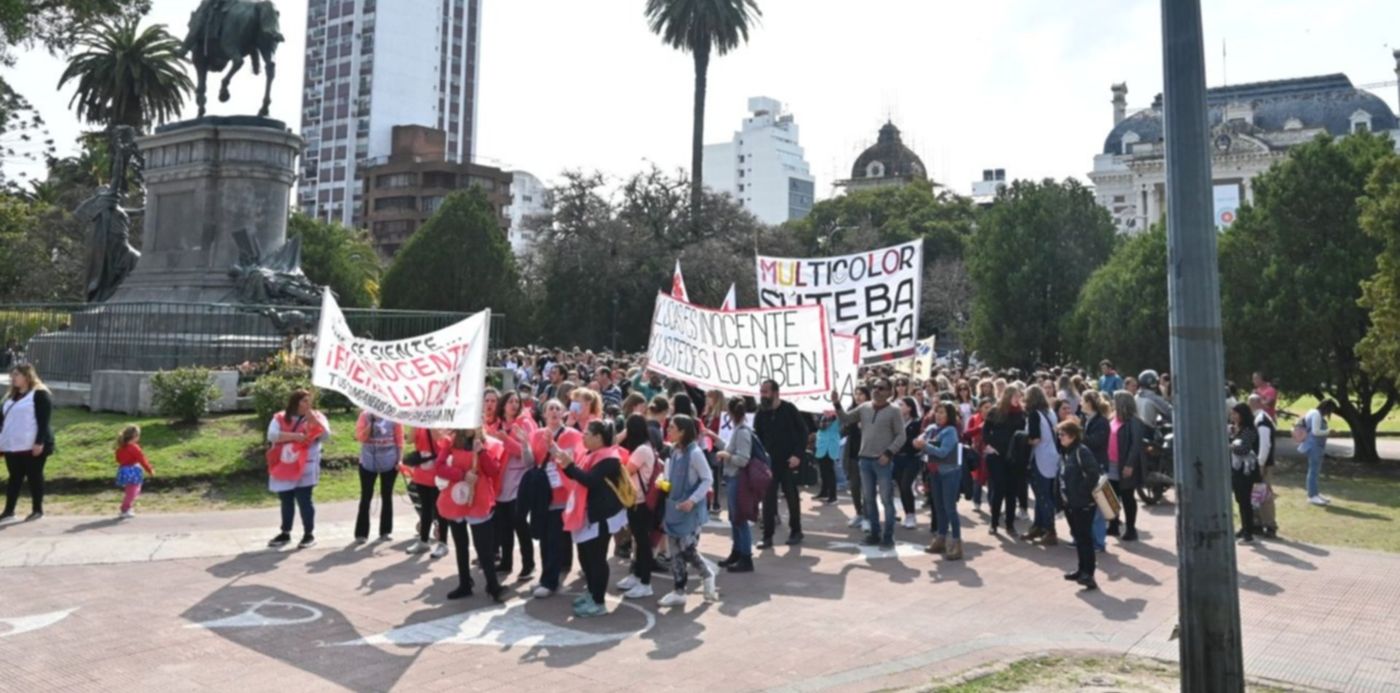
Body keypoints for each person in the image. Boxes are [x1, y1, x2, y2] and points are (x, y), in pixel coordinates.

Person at [557, 420, 630, 618]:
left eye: (588, 433)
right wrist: (566, 465)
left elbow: (590, 481)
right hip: (588, 514)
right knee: (585, 556)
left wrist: (569, 465)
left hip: (602, 515)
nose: (583, 436)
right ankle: (591, 592)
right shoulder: (592, 454)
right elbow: (578, 475)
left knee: (597, 559)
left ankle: (599, 602)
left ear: (599, 437)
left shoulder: (609, 458)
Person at [832, 378, 907, 549]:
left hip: (883, 461)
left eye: (881, 388)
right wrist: (836, 403)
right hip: (864, 459)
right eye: (874, 387)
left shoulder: (894, 411)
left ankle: (888, 535)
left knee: (887, 499)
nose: (876, 390)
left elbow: (901, 436)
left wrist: (889, 453)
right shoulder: (865, 408)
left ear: (889, 392)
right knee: (869, 499)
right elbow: (846, 418)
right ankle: (874, 533)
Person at [435, 429, 504, 602]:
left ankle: (493, 586)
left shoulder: (487, 443)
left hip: (479, 500)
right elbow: (439, 467)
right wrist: (461, 475)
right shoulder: (450, 442)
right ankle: (465, 583)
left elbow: (493, 471)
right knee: (461, 545)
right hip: (456, 499)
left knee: (484, 548)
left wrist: (481, 452)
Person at [658, 415, 719, 607]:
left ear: (683, 432)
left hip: (689, 511)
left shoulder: (695, 453)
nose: (668, 431)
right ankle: (679, 590)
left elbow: (707, 479)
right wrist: (663, 483)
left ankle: (707, 575)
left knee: (687, 549)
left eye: (672, 428)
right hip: (674, 507)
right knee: (675, 550)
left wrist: (692, 500)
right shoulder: (674, 451)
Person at [525, 399, 577, 599]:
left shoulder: (572, 435)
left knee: (555, 539)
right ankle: (545, 576)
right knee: (544, 539)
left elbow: (572, 461)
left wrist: (557, 451)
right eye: (550, 409)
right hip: (542, 495)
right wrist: (523, 446)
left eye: (557, 408)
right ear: (544, 414)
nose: (554, 412)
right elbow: (530, 463)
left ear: (563, 413)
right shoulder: (537, 434)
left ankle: (550, 581)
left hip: (562, 494)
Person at [266, 389, 330, 549]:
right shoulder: (280, 417)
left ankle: (308, 534)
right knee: (286, 500)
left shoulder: (317, 416)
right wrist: (294, 436)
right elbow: (272, 435)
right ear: (295, 402)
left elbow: (326, 436)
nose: (308, 404)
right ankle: (285, 533)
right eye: (304, 401)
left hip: (306, 465)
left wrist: (315, 422)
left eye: (310, 401)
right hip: (285, 464)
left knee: (304, 500)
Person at [756, 379, 810, 547]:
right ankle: (767, 536)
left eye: (766, 391)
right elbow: (757, 437)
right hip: (769, 464)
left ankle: (796, 531)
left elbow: (803, 432)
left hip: (789, 462)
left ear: (776, 393)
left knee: (791, 497)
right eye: (761, 391)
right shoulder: (761, 412)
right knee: (768, 499)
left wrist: (797, 455)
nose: (763, 395)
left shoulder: (789, 409)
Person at [0, 364, 55, 523]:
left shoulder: (40, 394)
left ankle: (37, 510)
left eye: (16, 374)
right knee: (14, 478)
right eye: (12, 375)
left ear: (27, 376)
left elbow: (43, 421)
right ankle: (9, 511)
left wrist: (39, 442)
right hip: (13, 445)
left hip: (33, 445)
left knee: (34, 477)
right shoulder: (11, 397)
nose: (13, 378)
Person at [491, 391, 537, 579]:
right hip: (500, 481)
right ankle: (506, 562)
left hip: (519, 481)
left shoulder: (524, 424)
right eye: (510, 401)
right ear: (503, 405)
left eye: (517, 401)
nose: (514, 405)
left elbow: (526, 453)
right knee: (503, 525)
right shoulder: (497, 425)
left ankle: (529, 564)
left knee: (519, 521)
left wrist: (506, 440)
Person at [617, 414, 659, 599]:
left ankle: (645, 582)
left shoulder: (641, 450)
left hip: (640, 503)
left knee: (642, 543)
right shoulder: (645, 447)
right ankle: (636, 575)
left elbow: (626, 472)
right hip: (636, 501)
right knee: (639, 542)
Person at [1056, 419, 1101, 591]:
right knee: (1079, 537)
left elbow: (1093, 474)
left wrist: (1081, 493)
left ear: (1073, 436)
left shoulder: (1082, 451)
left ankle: (1088, 574)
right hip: (1071, 503)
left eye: (1063, 434)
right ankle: (1081, 569)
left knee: (1085, 538)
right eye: (1059, 434)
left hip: (1083, 503)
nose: (1060, 437)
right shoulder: (1066, 452)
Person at [916, 403, 963, 559]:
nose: (939, 415)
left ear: (949, 415)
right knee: (938, 507)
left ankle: (956, 543)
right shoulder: (932, 428)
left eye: (942, 412)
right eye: (937, 412)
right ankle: (940, 539)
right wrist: (917, 442)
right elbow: (920, 440)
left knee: (949, 508)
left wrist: (925, 445)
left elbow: (943, 452)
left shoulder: (950, 431)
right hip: (934, 472)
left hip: (949, 472)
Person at [717, 396, 756, 573]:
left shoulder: (742, 432)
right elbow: (730, 447)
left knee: (739, 519)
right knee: (735, 519)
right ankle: (737, 552)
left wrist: (727, 457)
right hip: (733, 478)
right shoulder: (739, 430)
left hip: (738, 479)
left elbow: (743, 459)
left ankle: (746, 556)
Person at [982, 385, 1025, 537]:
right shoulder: (996, 411)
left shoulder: (1021, 413)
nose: (1018, 399)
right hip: (997, 456)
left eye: (1019, 396)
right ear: (1008, 396)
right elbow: (985, 431)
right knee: (998, 489)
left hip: (1014, 457)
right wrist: (989, 445)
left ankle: (1010, 524)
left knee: (1012, 492)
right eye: (1015, 396)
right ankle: (994, 523)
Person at [353, 410, 402, 543]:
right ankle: (361, 534)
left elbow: (399, 440)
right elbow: (360, 437)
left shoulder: (393, 416)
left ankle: (385, 531)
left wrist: (400, 460)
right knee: (366, 496)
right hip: (368, 462)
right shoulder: (365, 416)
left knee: (387, 496)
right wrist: (372, 422)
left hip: (389, 462)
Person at [405, 426, 451, 559]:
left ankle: (443, 543)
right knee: (425, 509)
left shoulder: (441, 423)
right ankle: (423, 540)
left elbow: (439, 439)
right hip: (421, 474)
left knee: (440, 510)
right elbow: (410, 439)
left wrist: (431, 422)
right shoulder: (420, 424)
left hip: (438, 475)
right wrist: (415, 421)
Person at [1023, 385, 1060, 545]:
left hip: (1040, 458)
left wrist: (1022, 440)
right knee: (1043, 494)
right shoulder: (1050, 412)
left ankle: (1050, 530)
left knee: (1043, 495)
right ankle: (1038, 526)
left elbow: (1035, 439)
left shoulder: (1033, 415)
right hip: (1053, 457)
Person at [1109, 392, 1145, 542]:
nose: (1112, 403)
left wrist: (1129, 465)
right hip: (1111, 463)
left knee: (1127, 497)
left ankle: (1131, 529)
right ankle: (1113, 524)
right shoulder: (1113, 418)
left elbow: (1135, 446)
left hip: (1124, 464)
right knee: (1112, 496)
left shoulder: (1134, 422)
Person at [1080, 391, 1111, 552]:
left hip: (1098, 467)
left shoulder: (1101, 422)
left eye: (1083, 400)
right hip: (1088, 467)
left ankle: (1099, 542)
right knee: (1088, 505)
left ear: (1090, 403)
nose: (1080, 403)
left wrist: (1078, 435)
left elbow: (1096, 442)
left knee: (1099, 507)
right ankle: (1090, 539)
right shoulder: (1085, 419)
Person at [1228, 403, 1263, 544]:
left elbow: (1244, 449)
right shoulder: (1240, 429)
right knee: (1241, 500)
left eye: (1235, 414)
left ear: (1243, 415)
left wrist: (1230, 445)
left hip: (1247, 472)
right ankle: (1244, 528)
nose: (1233, 416)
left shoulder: (1249, 430)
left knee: (1246, 502)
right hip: (1238, 470)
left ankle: (1248, 533)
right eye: (1232, 414)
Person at [1248, 394, 1278, 537]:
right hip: (1264, 462)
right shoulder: (1265, 418)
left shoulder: (1261, 420)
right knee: (1259, 494)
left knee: (1264, 495)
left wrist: (1260, 463)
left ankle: (1269, 525)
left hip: (1264, 463)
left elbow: (1265, 444)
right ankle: (1259, 523)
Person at [842, 385, 872, 531]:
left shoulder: (872, 410)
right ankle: (859, 513)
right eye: (856, 394)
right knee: (854, 486)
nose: (858, 397)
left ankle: (867, 516)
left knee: (867, 487)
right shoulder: (851, 411)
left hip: (868, 454)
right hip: (853, 453)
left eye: (861, 394)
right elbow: (843, 430)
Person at [892, 397, 924, 530]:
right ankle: (907, 513)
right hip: (897, 458)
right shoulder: (895, 422)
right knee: (900, 486)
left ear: (909, 407)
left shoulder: (916, 423)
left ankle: (911, 515)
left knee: (906, 485)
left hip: (912, 459)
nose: (898, 406)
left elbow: (917, 440)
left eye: (901, 405)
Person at [1300, 400, 1335, 506]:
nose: (1329, 414)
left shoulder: (1312, 412)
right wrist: (1329, 431)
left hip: (1313, 445)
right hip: (1314, 446)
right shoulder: (1316, 415)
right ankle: (1312, 496)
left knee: (1314, 470)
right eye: (1330, 411)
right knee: (1313, 471)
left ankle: (1315, 493)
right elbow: (1316, 432)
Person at [114, 424, 153, 519]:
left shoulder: (121, 447)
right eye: (138, 435)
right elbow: (142, 459)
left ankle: (127, 508)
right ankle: (125, 509)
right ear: (135, 436)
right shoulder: (134, 447)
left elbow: (118, 459)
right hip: (133, 470)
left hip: (124, 469)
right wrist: (149, 470)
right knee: (133, 491)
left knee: (131, 490)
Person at [813, 411, 841, 504]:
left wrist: (817, 417)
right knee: (823, 470)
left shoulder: (835, 416)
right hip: (821, 445)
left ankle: (833, 496)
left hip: (830, 446)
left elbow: (822, 426)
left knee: (829, 471)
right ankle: (824, 492)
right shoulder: (821, 415)